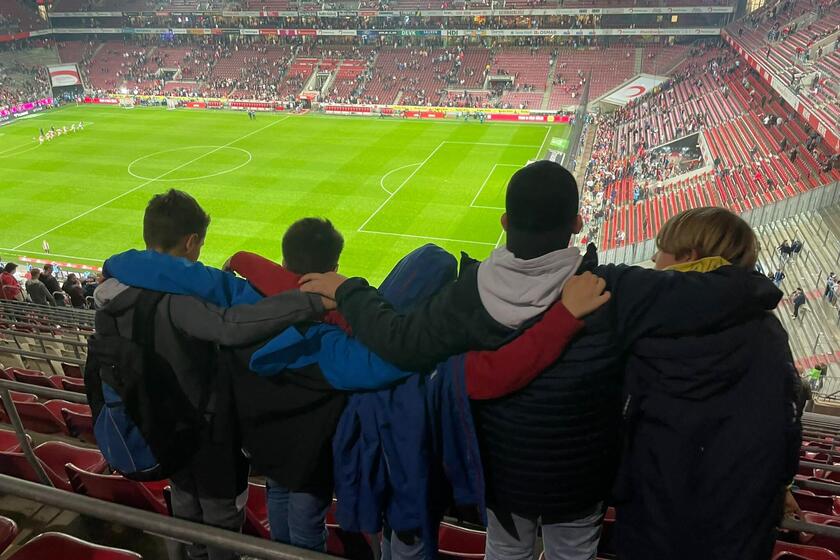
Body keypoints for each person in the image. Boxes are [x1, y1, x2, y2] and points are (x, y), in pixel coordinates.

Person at [300, 162, 778, 560]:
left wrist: (348, 289)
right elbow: (716, 294)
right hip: (581, 481)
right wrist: (758, 284)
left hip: (501, 476)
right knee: (572, 553)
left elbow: (397, 341)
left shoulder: (465, 296)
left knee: (506, 552)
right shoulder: (613, 288)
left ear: (505, 222)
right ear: (576, 224)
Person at [102, 214, 609, 556]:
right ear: (336, 267)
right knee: (311, 528)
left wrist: (132, 263)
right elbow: (441, 361)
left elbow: (206, 280)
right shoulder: (347, 348)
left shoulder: (243, 301)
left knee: (280, 513)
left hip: (263, 451)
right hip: (326, 466)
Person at [90, 190, 329, 560]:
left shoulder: (113, 289)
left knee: (185, 508)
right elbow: (231, 327)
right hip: (206, 430)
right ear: (190, 242)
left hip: (157, 422)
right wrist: (311, 302)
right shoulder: (177, 299)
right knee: (220, 520)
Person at [614, 207, 800, 560]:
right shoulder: (769, 333)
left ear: (689, 257)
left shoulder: (642, 324)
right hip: (739, 524)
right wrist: (783, 485)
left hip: (651, 515)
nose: (654, 258)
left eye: (662, 250)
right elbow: (786, 424)